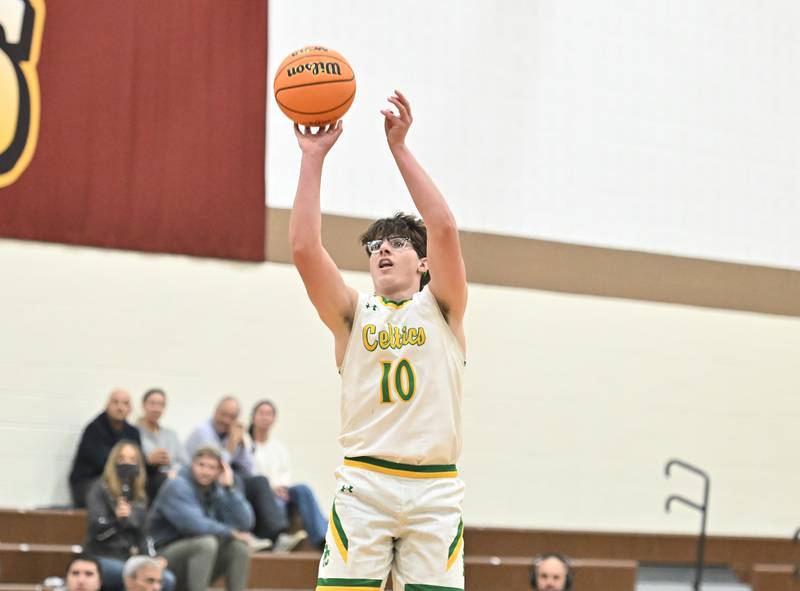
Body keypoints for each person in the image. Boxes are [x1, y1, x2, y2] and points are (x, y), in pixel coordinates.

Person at [289, 90, 468, 590]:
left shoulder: (443, 309)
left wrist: (400, 149)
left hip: (433, 490)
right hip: (365, 485)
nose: (384, 250)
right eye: (376, 245)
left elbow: (446, 228)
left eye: (399, 243)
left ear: (424, 261)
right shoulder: (352, 314)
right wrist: (312, 159)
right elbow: (305, 249)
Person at [185, 396, 306, 552]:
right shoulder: (202, 432)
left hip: (228, 479)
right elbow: (213, 467)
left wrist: (242, 446)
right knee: (235, 477)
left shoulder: (234, 434)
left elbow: (249, 468)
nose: (226, 420)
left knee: (260, 481)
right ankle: (245, 534)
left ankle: (277, 534)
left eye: (232, 417)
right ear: (215, 412)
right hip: (202, 481)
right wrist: (231, 445)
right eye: (223, 415)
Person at [147, 444, 254, 591]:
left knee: (238, 547)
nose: (205, 472)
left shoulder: (219, 490)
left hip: (198, 560)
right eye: (201, 465)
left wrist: (230, 489)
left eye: (212, 467)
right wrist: (231, 532)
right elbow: (194, 525)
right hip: (162, 557)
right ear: (192, 465)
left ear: (220, 470)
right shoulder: (177, 485)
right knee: (206, 543)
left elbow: (246, 522)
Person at [83, 440, 175, 591]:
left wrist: (152, 560)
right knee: (135, 576)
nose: (127, 464)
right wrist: (117, 520)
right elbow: (96, 531)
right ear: (113, 461)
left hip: (130, 558)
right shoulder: (99, 489)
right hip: (102, 555)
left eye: (132, 460)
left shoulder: (139, 495)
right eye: (122, 458)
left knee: (168, 578)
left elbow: (144, 534)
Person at [248, 399, 327, 550]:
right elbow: (249, 474)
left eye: (269, 414)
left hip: (281, 490)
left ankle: (322, 537)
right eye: (261, 413)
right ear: (253, 417)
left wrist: (282, 486)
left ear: (274, 419)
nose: (265, 417)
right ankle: (280, 538)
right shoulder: (246, 444)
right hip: (261, 495)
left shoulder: (278, 447)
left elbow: (285, 471)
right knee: (274, 499)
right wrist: (272, 489)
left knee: (303, 489)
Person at [70, 389, 142, 508]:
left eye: (125, 403)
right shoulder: (93, 429)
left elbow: (138, 463)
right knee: (105, 490)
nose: (120, 407)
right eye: (115, 402)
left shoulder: (133, 432)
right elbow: (102, 462)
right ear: (107, 405)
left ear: (130, 409)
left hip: (123, 481)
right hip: (89, 482)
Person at [137, 388, 188, 501]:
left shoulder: (171, 435)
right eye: (152, 403)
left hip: (175, 480)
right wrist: (148, 461)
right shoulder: (134, 432)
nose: (156, 409)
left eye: (161, 405)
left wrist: (173, 469)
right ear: (143, 405)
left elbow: (185, 462)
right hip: (148, 482)